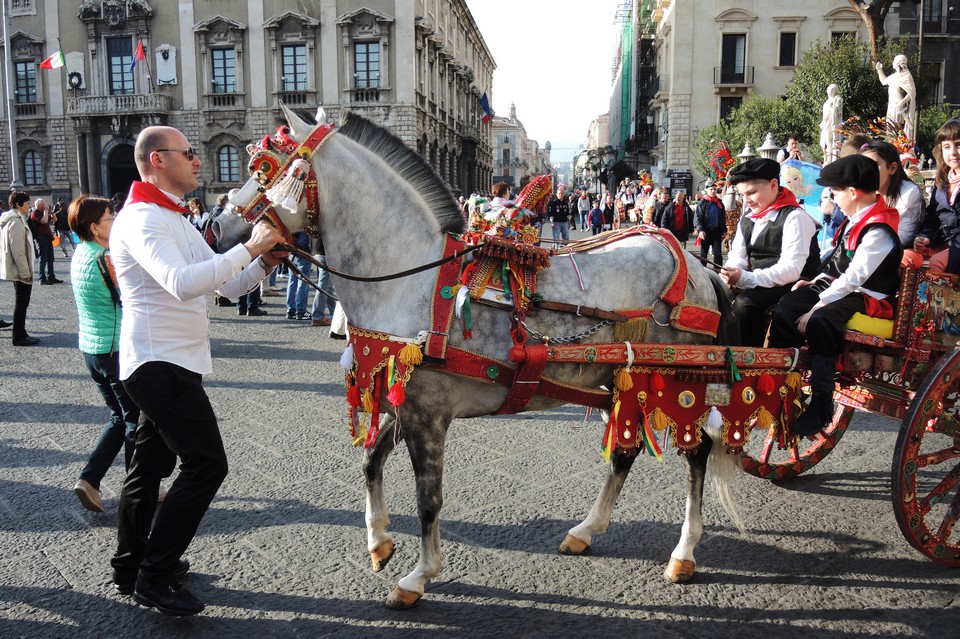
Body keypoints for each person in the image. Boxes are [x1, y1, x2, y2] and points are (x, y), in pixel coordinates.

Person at [108, 125, 286, 616]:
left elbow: (223, 286)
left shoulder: (174, 216)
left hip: (172, 359)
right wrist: (250, 247)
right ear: (157, 160)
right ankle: (155, 575)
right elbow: (181, 283)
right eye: (187, 153)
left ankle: (130, 565)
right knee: (207, 465)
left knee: (148, 470)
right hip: (158, 362)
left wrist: (262, 264)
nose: (197, 160)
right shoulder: (142, 217)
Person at [769, 155, 901, 436]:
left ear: (852, 192)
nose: (832, 198)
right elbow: (835, 265)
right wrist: (813, 283)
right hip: (839, 286)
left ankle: (821, 402)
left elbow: (855, 277)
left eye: (834, 192)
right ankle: (785, 385)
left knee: (821, 320)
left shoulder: (879, 229)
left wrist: (818, 305)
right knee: (786, 307)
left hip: (869, 296)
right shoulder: (854, 220)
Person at [68, 195, 140, 513]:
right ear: (95, 227)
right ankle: (139, 487)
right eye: (111, 217)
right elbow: (130, 296)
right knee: (135, 420)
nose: (116, 221)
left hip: (92, 348)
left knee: (118, 417)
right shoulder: (106, 258)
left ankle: (89, 480)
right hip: (115, 349)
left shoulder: (80, 252)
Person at [720, 158, 821, 346]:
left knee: (743, 304)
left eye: (752, 193)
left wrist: (745, 278)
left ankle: (749, 358)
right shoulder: (747, 218)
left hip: (794, 285)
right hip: (759, 281)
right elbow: (737, 258)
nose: (746, 200)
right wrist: (728, 276)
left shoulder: (795, 217)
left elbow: (791, 270)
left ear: (773, 185)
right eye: (742, 194)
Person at [911, 118, 960, 273]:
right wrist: (924, 237)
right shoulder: (942, 183)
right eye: (947, 146)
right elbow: (932, 217)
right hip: (942, 243)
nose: (953, 152)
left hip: (956, 247)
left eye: (958, 145)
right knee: (906, 257)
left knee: (936, 263)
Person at [860, 141, 923, 248]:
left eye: (874, 165)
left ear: (892, 168)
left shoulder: (909, 193)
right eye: (863, 166)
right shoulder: (862, 191)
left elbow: (904, 235)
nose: (867, 171)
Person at [0, 191, 38, 345]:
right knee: (21, 303)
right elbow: (18, 251)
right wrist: (25, 272)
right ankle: (19, 336)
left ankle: (21, 333)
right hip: (20, 270)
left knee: (21, 303)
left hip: (18, 268)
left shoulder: (13, 220)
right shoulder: (16, 222)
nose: (29, 206)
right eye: (27, 203)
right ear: (18, 204)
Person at [876, 54, 917, 142]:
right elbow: (883, 81)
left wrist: (901, 103)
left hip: (899, 106)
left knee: (896, 128)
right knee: (890, 127)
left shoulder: (907, 76)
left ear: (898, 63)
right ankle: (891, 145)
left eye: (894, 61)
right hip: (891, 105)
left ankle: (898, 146)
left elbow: (912, 93)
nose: (892, 63)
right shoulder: (893, 76)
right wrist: (879, 70)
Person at [29, 198, 62, 284]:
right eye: (44, 204)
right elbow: (43, 221)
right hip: (40, 237)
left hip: (48, 237)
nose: (45, 205)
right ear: (39, 205)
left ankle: (51, 276)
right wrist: (46, 211)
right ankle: (42, 278)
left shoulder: (44, 212)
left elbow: (55, 219)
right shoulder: (35, 213)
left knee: (50, 258)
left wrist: (51, 212)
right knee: (43, 258)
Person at [694, 181, 726, 265]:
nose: (713, 191)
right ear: (707, 190)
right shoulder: (702, 203)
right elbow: (697, 218)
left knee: (718, 255)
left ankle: (718, 271)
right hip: (705, 232)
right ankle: (702, 271)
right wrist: (700, 230)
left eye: (715, 189)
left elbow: (722, 218)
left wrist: (724, 230)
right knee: (703, 255)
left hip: (716, 232)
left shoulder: (719, 203)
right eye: (711, 189)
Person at [285, 230, 313, 321]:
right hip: (302, 253)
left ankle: (291, 310)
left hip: (292, 253)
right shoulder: (304, 227)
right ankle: (301, 311)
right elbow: (303, 242)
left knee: (292, 282)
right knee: (303, 283)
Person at [820, 84, 843, 164]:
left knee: (834, 140)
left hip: (834, 123)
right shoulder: (826, 102)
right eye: (829, 89)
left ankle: (834, 157)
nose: (830, 91)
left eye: (832, 89)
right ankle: (828, 158)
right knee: (827, 140)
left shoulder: (838, 99)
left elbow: (838, 110)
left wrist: (832, 108)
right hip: (827, 123)